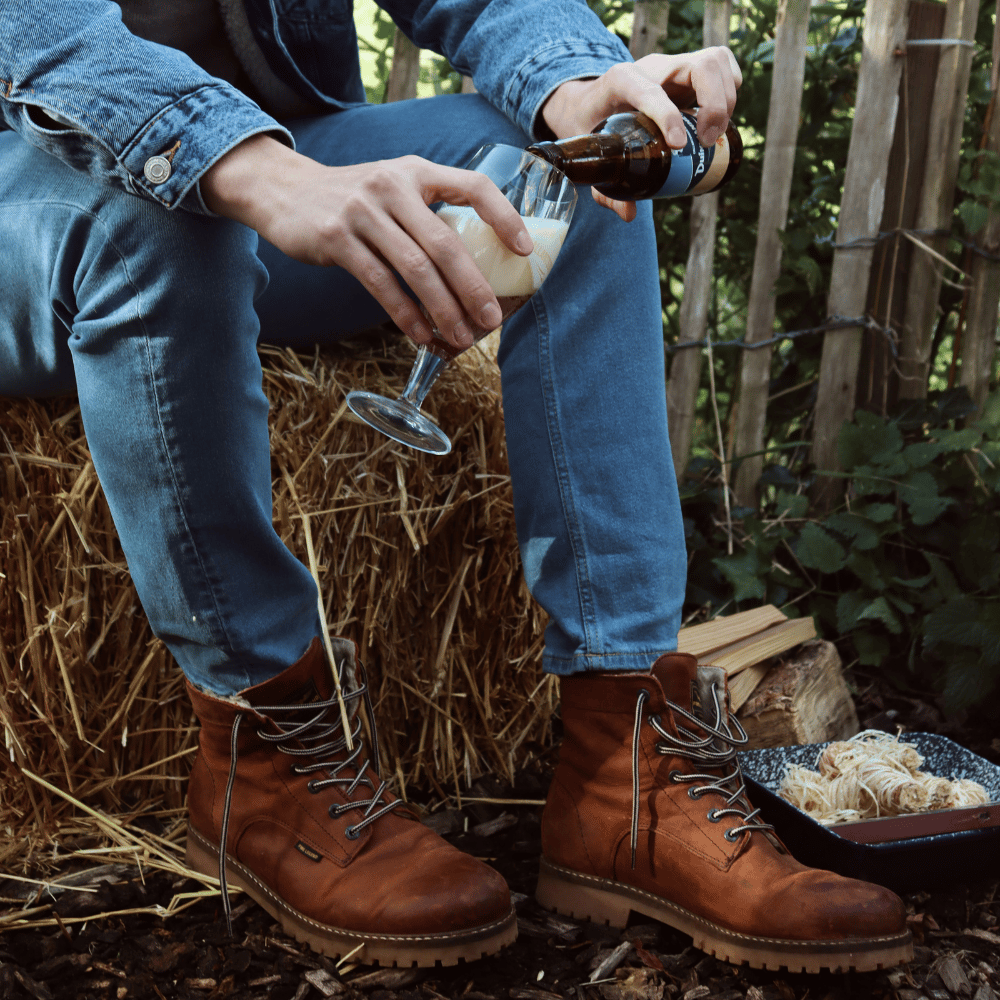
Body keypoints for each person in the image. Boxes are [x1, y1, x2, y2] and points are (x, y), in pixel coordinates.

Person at [0, 0, 911, 974]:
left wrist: (573, 83)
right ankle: (261, 758)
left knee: (553, 175)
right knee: (164, 214)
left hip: (266, 151)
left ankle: (624, 767)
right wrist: (239, 162)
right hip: (50, 187)